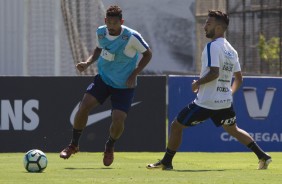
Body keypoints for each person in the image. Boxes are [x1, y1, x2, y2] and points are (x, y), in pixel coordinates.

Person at [146, 10, 271, 170]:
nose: (204, 26)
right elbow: (239, 78)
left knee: (176, 126)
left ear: (218, 28)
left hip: (207, 101)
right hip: (225, 102)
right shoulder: (231, 50)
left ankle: (167, 162)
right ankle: (263, 156)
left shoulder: (213, 46)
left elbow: (214, 72)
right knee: (233, 129)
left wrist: (197, 83)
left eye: (208, 23)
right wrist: (229, 93)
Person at [60, 5, 152, 167]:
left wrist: (134, 73)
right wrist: (88, 63)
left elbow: (148, 54)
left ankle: (109, 146)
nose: (111, 26)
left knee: (118, 120)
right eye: (108, 22)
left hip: (124, 85)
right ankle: (74, 145)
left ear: (121, 22)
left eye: (114, 23)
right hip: (103, 79)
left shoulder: (132, 37)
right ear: (105, 21)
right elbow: (99, 48)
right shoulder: (101, 32)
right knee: (84, 106)